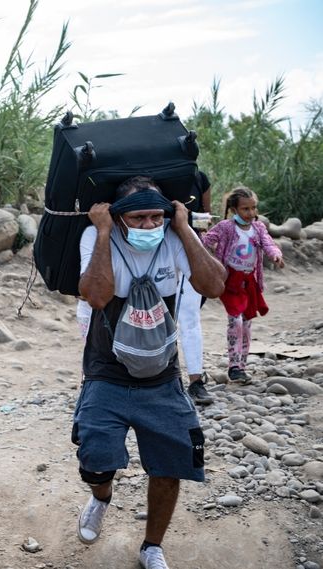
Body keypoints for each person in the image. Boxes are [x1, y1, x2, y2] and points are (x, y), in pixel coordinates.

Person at [75, 176, 226, 569]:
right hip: (106, 371)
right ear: (119, 216)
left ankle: (151, 547)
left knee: (173, 463)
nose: (149, 225)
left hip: (161, 375)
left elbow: (214, 285)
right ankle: (101, 497)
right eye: (138, 218)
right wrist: (104, 232)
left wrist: (184, 228)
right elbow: (96, 296)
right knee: (95, 459)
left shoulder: (173, 237)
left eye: (156, 217)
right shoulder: (98, 237)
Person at [201, 186, 284, 383]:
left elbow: (268, 243)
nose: (251, 213)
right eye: (245, 209)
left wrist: (275, 255)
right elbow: (205, 242)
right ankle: (234, 366)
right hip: (231, 281)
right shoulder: (226, 227)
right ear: (234, 210)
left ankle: (242, 367)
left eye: (253, 208)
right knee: (235, 321)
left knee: (246, 323)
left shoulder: (258, 228)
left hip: (249, 282)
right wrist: (198, 232)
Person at [179, 169, 214, 404]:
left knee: (190, 318)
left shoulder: (199, 178)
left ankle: (195, 380)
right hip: (155, 252)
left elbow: (204, 218)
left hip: (190, 251)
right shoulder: (151, 172)